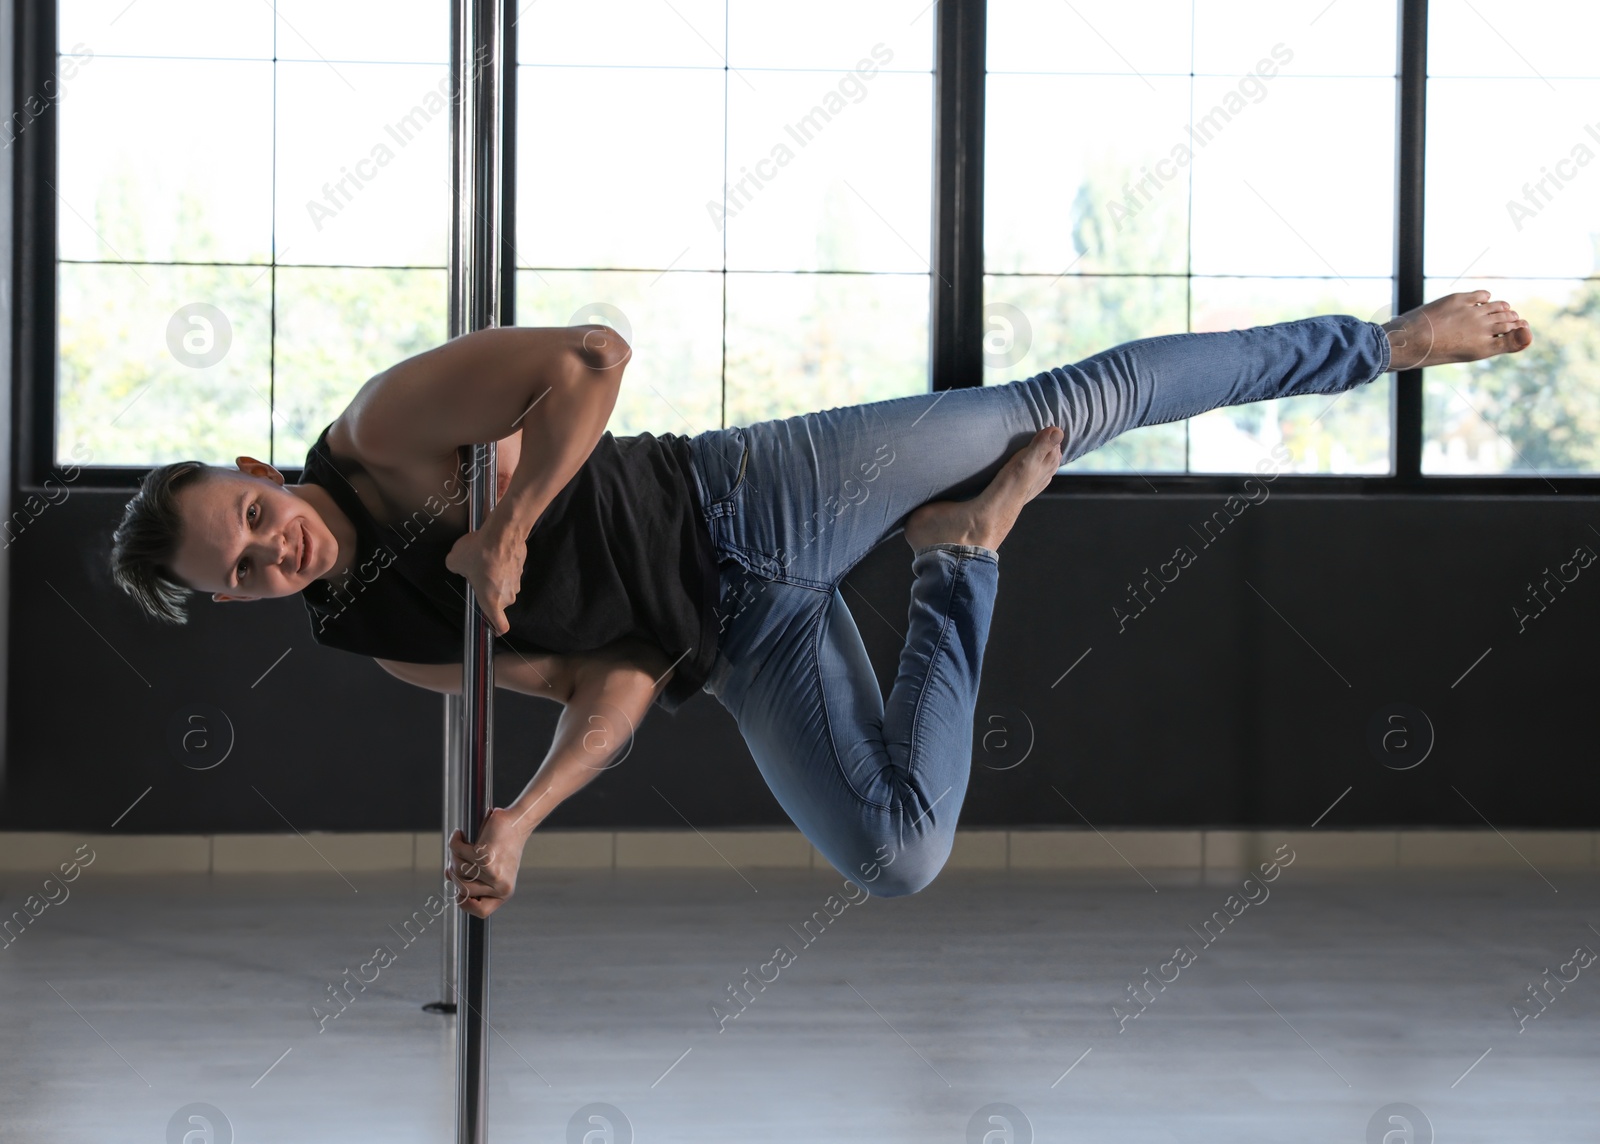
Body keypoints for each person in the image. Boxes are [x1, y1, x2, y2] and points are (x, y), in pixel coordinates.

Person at [107, 291, 1531, 915]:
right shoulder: (388, 644)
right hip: (740, 643)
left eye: (246, 521)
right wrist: (519, 824)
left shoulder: (384, 428)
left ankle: (1386, 342)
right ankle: (962, 557)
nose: (264, 554)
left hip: (756, 498)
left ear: (252, 471)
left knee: (1065, 404)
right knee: (895, 856)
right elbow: (606, 684)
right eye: (233, 576)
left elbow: (593, 357)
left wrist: (516, 522)